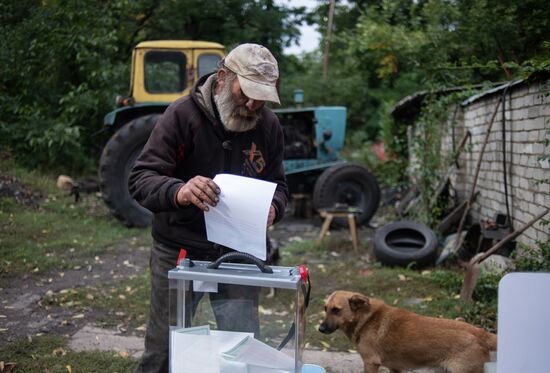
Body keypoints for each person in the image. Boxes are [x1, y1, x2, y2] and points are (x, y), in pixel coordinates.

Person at [128, 43, 289, 373]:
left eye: (262, 97)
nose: (253, 104)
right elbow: (141, 177)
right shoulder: (181, 116)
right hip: (179, 249)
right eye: (246, 92)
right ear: (222, 77)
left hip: (239, 254)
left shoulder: (268, 125)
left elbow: (280, 185)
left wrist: (274, 206)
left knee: (242, 346)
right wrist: (180, 190)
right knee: (164, 347)